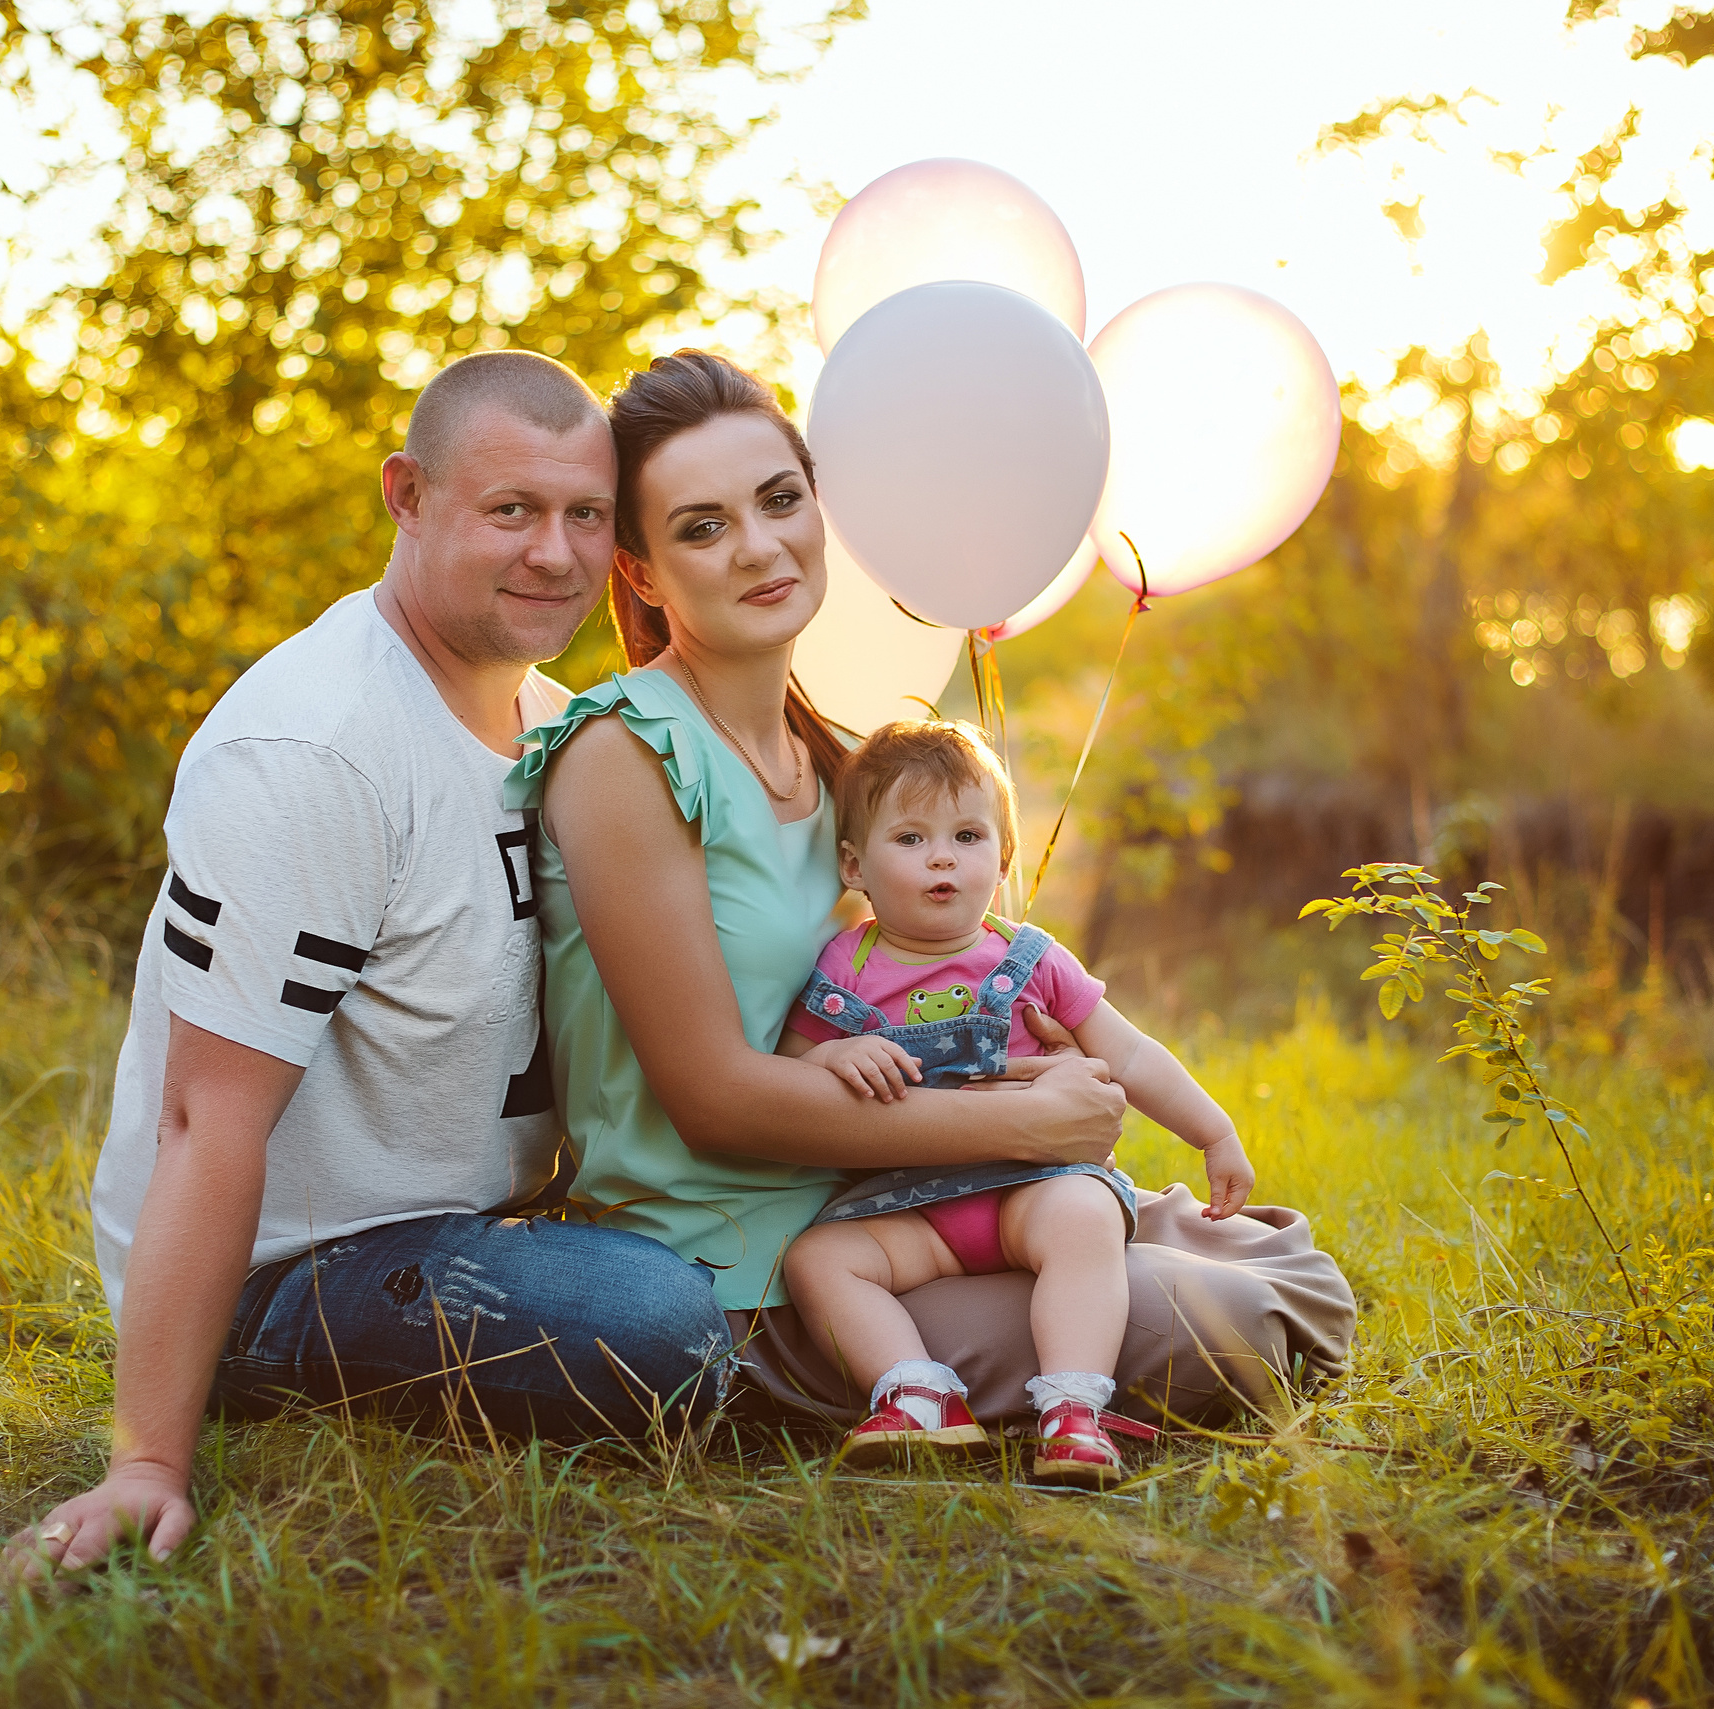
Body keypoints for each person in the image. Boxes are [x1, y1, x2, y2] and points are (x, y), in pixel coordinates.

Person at [507, 348, 1354, 1450]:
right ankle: (893, 1384)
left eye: (779, 499)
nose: (761, 545)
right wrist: (1014, 1121)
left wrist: (1021, 1074)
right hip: (765, 1255)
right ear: (643, 572)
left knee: (1261, 1250)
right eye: (702, 526)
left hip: (905, 1188)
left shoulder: (834, 756)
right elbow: (711, 1094)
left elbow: (891, 996)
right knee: (1252, 1314)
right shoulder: (625, 749)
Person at [15, 351, 735, 1577]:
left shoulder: (554, 721)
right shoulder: (320, 750)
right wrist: (147, 1460)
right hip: (292, 1269)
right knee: (663, 1322)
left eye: (584, 515)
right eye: (510, 509)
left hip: (484, 1213)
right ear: (406, 493)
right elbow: (203, 1118)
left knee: (747, 1241)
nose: (554, 554)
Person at [777, 720, 1257, 1487]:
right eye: (910, 837)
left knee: (1085, 1216)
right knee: (819, 1258)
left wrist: (1215, 1129)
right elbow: (791, 1073)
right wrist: (834, 1052)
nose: (942, 856)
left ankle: (1073, 1409)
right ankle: (916, 1391)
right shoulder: (844, 967)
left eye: (967, 835)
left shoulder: (1030, 958)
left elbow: (1128, 1053)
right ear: (853, 864)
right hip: (915, 1205)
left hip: (1029, 1190)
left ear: (1001, 859)